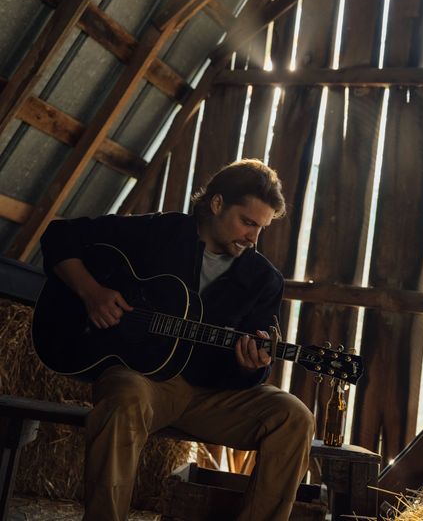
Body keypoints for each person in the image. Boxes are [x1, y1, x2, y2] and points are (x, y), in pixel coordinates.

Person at [40, 159, 315, 521]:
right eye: (248, 222)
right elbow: (58, 236)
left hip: (212, 396)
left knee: (295, 417)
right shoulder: (159, 232)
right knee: (124, 397)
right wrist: (92, 292)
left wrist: (252, 365)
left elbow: (247, 368)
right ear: (217, 204)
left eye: (261, 228)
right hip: (146, 382)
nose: (253, 238)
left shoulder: (264, 279)